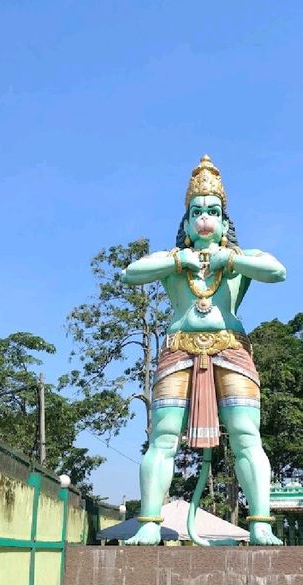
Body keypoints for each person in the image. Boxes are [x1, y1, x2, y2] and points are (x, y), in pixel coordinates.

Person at [121, 155, 286, 546]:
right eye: (197, 211)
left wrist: (232, 258)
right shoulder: (172, 260)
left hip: (230, 347)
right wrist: (180, 259)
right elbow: (130, 273)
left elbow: (277, 271)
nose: (205, 219)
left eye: (213, 211)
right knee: (163, 436)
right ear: (185, 222)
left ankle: (260, 521)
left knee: (246, 435)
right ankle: (149, 521)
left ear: (225, 222)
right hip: (179, 348)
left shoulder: (241, 261)